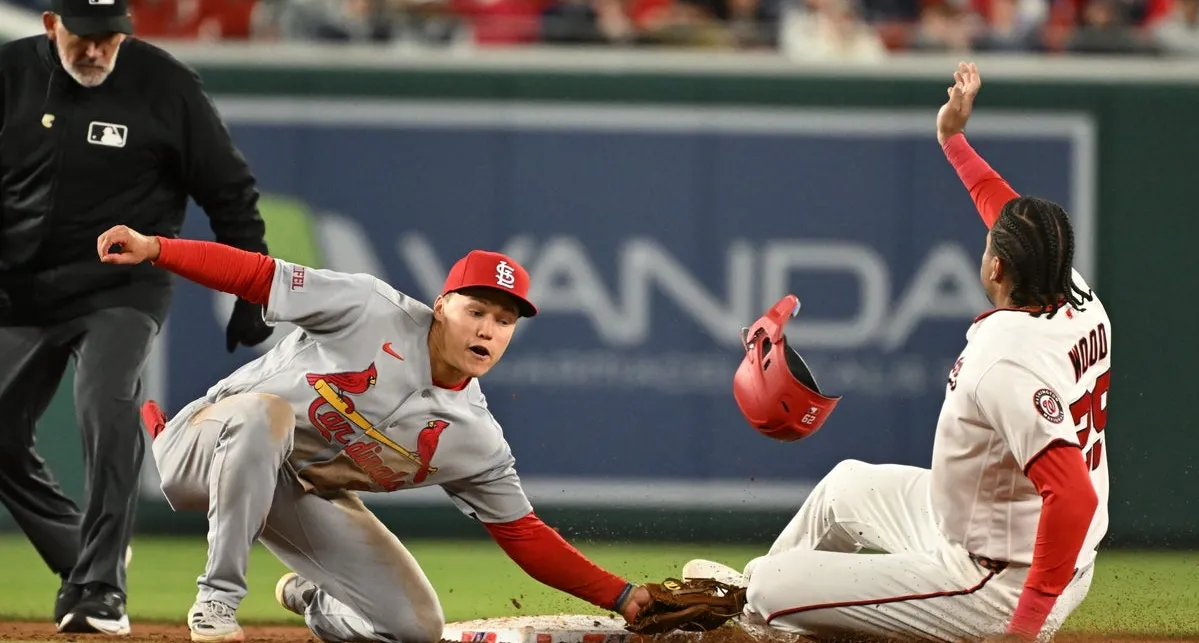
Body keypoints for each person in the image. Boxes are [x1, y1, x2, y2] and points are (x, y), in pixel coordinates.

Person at [684, 62, 1109, 643]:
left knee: (767, 588)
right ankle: (753, 607)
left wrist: (1025, 623)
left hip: (996, 579)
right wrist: (953, 140)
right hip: (997, 530)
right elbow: (1008, 214)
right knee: (842, 489)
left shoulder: (1007, 357)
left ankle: (760, 609)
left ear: (997, 267)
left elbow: (1074, 495)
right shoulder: (1074, 292)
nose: (987, 240)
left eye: (991, 245)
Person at [95, 225, 653, 643]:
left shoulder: (475, 438)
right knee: (266, 415)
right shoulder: (367, 308)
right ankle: (216, 601)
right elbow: (256, 275)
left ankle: (318, 602)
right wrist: (156, 249)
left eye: (504, 321)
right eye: (476, 310)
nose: (487, 328)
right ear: (441, 307)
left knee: (417, 628)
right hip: (206, 448)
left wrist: (625, 597)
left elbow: (525, 534)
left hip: (295, 493)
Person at [0, 0, 274, 634]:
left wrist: (250, 289)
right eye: (83, 36)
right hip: (20, 288)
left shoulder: (164, 85)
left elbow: (228, 191)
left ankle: (100, 588)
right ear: (50, 26)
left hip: (119, 284)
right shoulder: (8, 75)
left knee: (106, 400)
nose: (97, 51)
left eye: (110, 37)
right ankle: (84, 556)